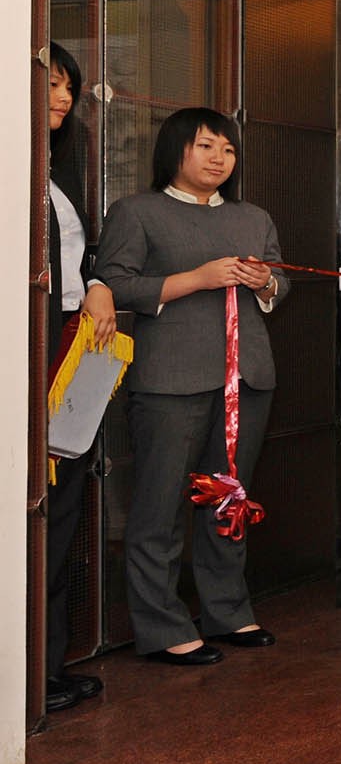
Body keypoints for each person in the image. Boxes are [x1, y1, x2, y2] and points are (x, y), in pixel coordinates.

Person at [95, 108, 284, 665]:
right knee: (157, 506)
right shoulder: (137, 212)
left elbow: (281, 282)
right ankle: (162, 627)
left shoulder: (253, 217)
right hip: (169, 380)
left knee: (228, 499)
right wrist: (196, 280)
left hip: (245, 377)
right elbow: (115, 283)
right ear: (174, 150)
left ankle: (228, 610)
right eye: (205, 146)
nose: (218, 159)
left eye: (228, 150)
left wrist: (266, 282)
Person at [42, 43, 115, 710]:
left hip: (69, 347)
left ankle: (47, 667)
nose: (64, 98)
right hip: (28, 353)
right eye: (53, 84)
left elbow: (80, 254)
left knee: (61, 507)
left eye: (70, 87)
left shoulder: (59, 171)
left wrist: (96, 283)